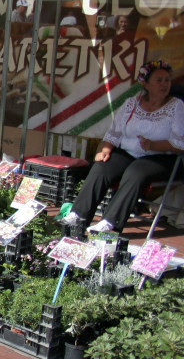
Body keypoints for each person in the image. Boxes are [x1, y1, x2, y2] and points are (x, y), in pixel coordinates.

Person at [62, 60, 184, 233]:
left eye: (167, 80)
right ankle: (79, 214)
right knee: (101, 168)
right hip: (128, 152)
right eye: (159, 80)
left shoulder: (176, 106)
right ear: (146, 83)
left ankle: (110, 222)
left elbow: (181, 143)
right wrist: (105, 149)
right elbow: (114, 133)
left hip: (162, 157)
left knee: (136, 172)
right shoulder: (131, 103)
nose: (165, 84)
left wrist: (154, 145)